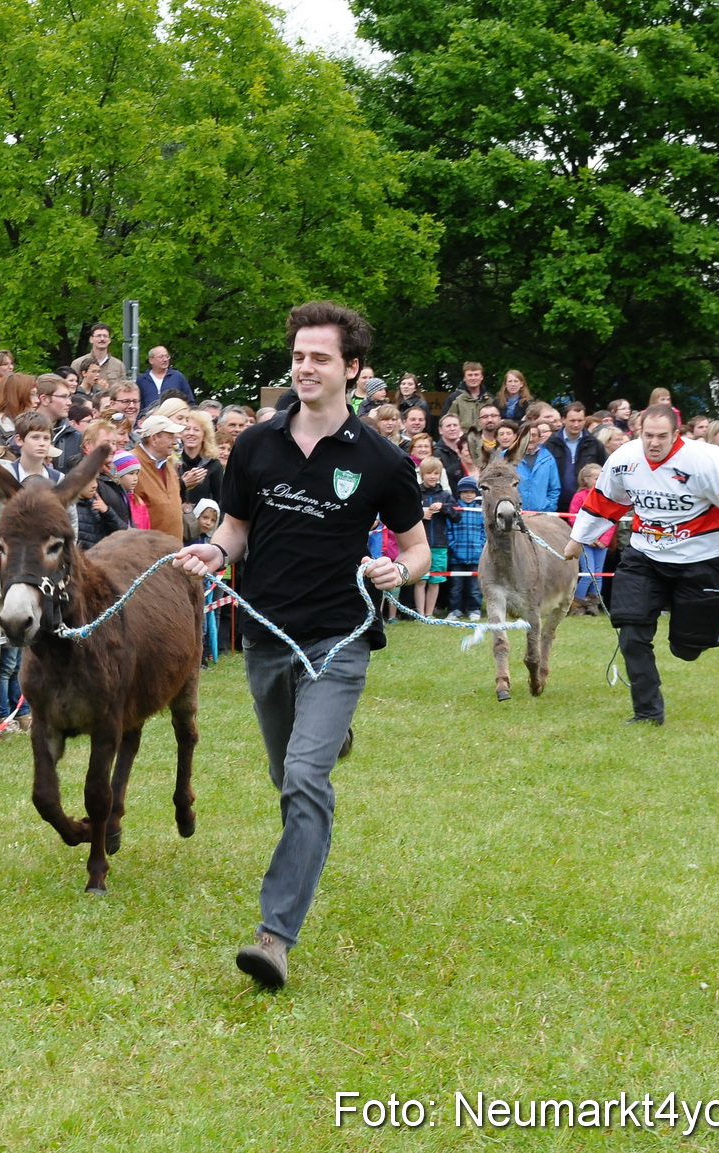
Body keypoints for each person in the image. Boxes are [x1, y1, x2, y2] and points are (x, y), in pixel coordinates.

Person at [174, 300, 427, 993]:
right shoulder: (254, 445)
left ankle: (273, 935)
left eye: (320, 357)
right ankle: (326, 737)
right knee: (285, 773)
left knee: (304, 780)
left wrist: (393, 571)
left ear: (351, 368)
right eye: (298, 356)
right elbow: (234, 529)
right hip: (266, 637)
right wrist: (212, 553)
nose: (305, 367)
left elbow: (417, 551)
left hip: (339, 637)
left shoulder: (381, 459)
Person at [566, 405, 719, 723]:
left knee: (689, 648)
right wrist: (577, 540)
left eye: (661, 436)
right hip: (645, 555)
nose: (653, 443)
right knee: (631, 632)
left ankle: (693, 635)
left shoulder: (705, 461)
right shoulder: (625, 459)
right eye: (647, 436)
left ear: (676, 435)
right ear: (638, 432)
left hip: (701, 560)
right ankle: (647, 713)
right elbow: (604, 501)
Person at [414, 458, 458, 619]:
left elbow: (457, 516)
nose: (432, 477)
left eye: (436, 473)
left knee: (435, 580)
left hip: (440, 544)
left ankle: (429, 613)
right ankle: (420, 614)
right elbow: (405, 513)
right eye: (429, 473)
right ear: (422, 474)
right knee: (421, 580)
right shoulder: (415, 492)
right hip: (420, 544)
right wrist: (420, 514)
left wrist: (444, 507)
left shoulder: (445, 495)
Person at [130, 413, 187, 538]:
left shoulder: (167, 464)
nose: (175, 442)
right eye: (170, 437)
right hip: (148, 551)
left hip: (173, 550)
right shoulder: (131, 463)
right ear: (154, 438)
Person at [545, 401, 607, 510]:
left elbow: (605, 473)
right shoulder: (550, 444)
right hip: (558, 504)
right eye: (572, 421)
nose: (576, 425)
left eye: (580, 420)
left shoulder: (594, 444)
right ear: (563, 420)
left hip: (587, 504)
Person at [567, 462, 611, 615]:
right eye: (596, 478)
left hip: (601, 544)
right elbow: (574, 519)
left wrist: (604, 540)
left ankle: (593, 604)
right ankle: (575, 603)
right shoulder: (579, 497)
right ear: (586, 479)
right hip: (585, 541)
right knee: (588, 573)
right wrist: (587, 537)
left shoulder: (608, 497)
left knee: (598, 575)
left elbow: (611, 520)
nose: (600, 481)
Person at [447, 476, 485, 620]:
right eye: (465, 492)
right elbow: (449, 530)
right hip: (457, 555)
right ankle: (455, 610)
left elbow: (484, 531)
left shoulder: (480, 511)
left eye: (471, 492)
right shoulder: (455, 510)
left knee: (474, 588)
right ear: (459, 493)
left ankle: (474, 609)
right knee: (455, 587)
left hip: (476, 555)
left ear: (476, 493)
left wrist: (481, 545)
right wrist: (453, 545)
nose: (468, 495)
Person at [514, 421, 560, 512]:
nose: (530, 439)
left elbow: (554, 488)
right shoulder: (506, 457)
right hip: (514, 514)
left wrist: (549, 507)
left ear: (539, 438)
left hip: (540, 515)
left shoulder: (548, 459)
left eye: (534, 435)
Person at [72, 323, 127, 388]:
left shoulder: (118, 365)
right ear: (91, 339)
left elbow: (122, 390)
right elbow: (72, 388)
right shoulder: (78, 363)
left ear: (109, 340)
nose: (102, 339)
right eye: (98, 336)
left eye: (105, 336)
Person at [444, 361, 489, 431]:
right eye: (470, 375)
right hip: (461, 440)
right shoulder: (454, 398)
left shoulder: (490, 399)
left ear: (482, 377)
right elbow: (445, 423)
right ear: (464, 378)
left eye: (476, 375)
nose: (473, 378)